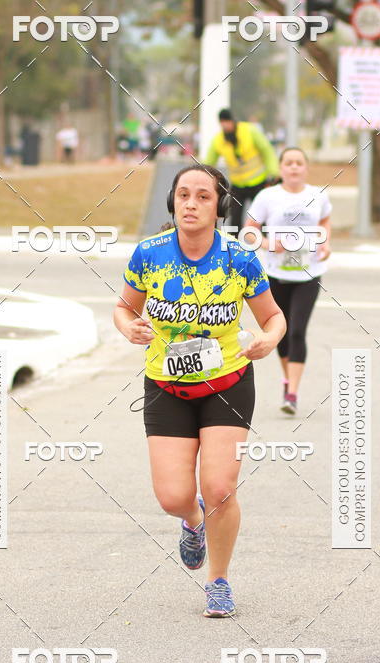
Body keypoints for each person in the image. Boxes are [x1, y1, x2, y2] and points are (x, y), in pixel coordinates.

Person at [114, 164, 286, 617]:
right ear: (172, 202)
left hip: (226, 383)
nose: (191, 204)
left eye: (203, 197)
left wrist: (269, 340)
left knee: (220, 488)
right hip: (166, 386)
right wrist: (129, 327)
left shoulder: (238, 257)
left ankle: (219, 580)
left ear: (218, 206)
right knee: (173, 496)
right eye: (183, 195)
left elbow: (273, 317)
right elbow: (122, 308)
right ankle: (193, 523)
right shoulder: (149, 254)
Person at [244, 146, 332, 415]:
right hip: (275, 275)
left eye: (299, 162)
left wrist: (325, 242)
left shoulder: (318, 196)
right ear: (281, 168)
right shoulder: (267, 197)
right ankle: (287, 381)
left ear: (306, 168)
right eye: (289, 163)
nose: (294, 167)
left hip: (309, 273)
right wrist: (270, 244)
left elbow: (325, 222)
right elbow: (248, 233)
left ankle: (292, 393)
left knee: (296, 331)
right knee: (280, 333)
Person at [205, 109, 279, 232]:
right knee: (234, 219)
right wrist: (201, 176)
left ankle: (267, 246)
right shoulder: (218, 141)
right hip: (238, 185)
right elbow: (208, 163)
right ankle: (235, 246)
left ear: (233, 120)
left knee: (262, 217)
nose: (226, 126)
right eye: (223, 123)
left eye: (227, 122)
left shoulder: (250, 131)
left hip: (258, 182)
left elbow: (267, 150)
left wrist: (273, 172)